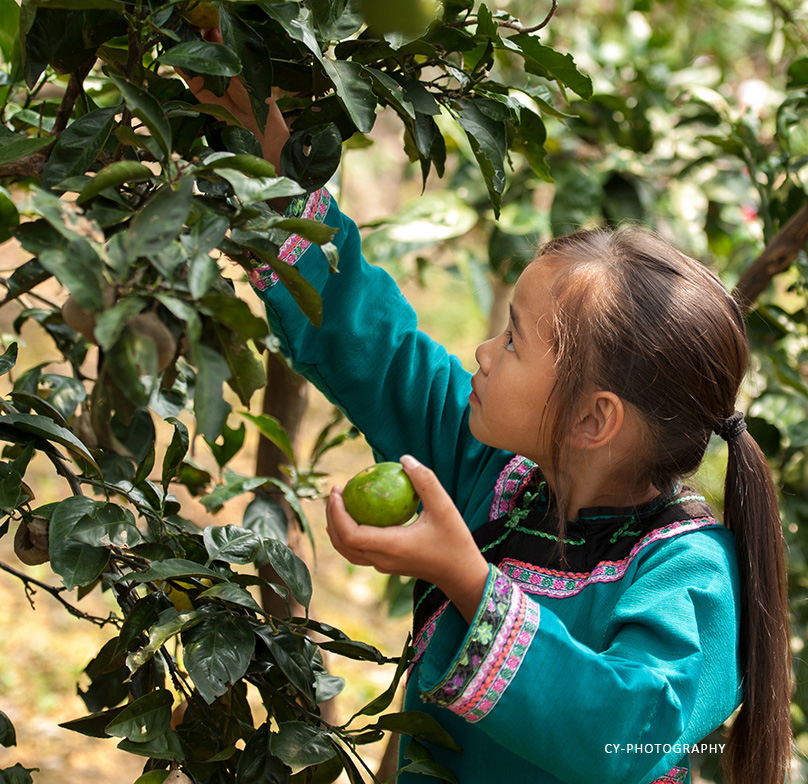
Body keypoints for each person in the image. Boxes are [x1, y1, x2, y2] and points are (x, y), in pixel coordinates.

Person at [184, 68, 792, 784]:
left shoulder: (689, 575)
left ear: (592, 419)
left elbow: (626, 735)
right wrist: (270, 142)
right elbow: (370, 343)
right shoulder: (489, 471)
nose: (480, 351)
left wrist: (466, 578)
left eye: (511, 341)